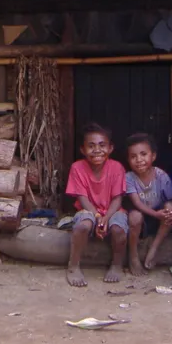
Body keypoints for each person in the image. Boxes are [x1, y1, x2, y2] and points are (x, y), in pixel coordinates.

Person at [65, 123, 129, 287]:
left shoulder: (117, 168)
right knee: (82, 226)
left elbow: (117, 199)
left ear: (110, 148)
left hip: (112, 211)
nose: (97, 150)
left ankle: (116, 264)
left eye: (102, 145)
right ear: (82, 149)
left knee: (119, 229)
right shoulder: (77, 168)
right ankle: (73, 266)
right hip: (88, 210)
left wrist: (106, 218)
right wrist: (98, 216)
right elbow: (82, 198)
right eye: (91, 146)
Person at [125, 133, 172, 276]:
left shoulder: (160, 175)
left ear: (153, 156)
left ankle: (154, 247)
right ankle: (133, 256)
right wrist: (156, 214)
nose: (139, 160)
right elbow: (136, 202)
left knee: (170, 208)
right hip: (140, 221)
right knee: (135, 216)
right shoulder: (129, 178)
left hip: (159, 219)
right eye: (133, 156)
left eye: (143, 154)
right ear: (128, 159)